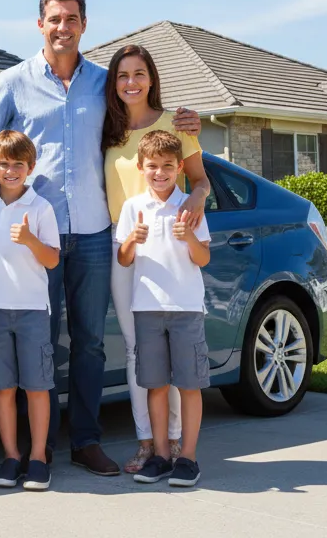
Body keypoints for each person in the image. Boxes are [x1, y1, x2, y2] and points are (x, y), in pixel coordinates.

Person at [0, 0, 201, 475]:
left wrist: (187, 119)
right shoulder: (13, 81)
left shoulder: (104, 83)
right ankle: (30, 450)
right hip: (33, 235)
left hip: (94, 233)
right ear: (40, 24)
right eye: (55, 19)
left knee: (89, 343)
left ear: (84, 25)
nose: (63, 27)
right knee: (37, 343)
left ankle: (85, 441)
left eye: (72, 19)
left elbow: (146, 119)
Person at [101, 44, 211, 474]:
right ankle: (149, 443)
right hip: (126, 242)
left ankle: (179, 444)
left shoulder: (176, 124)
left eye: (139, 73)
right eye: (122, 75)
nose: (131, 82)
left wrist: (194, 202)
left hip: (171, 242)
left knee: (176, 357)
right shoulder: (107, 129)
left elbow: (200, 180)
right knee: (139, 351)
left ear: (152, 79)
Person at [115, 130, 212, 488]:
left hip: (185, 308)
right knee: (155, 385)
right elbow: (124, 259)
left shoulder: (190, 206)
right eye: (153, 166)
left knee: (189, 384)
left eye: (168, 166)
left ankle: (188, 457)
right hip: (147, 308)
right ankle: (160, 455)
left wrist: (189, 237)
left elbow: (203, 257)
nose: (160, 173)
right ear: (140, 168)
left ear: (180, 167)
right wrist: (131, 240)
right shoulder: (132, 208)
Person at [0, 131, 60, 492]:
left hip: (32, 310)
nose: (10, 171)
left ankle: (38, 457)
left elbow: (52, 259)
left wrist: (29, 240)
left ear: (31, 167)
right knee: (3, 388)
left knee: (37, 387)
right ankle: (11, 456)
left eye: (18, 164)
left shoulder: (40, 207)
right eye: (3, 164)